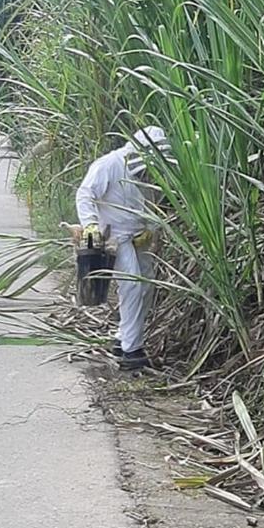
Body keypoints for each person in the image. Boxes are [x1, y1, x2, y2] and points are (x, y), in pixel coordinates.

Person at [75, 125, 172, 370]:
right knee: (132, 284)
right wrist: (90, 226)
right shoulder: (109, 165)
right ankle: (132, 350)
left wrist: (151, 228)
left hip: (139, 235)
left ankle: (123, 338)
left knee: (147, 284)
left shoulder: (147, 173)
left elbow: (152, 202)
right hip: (114, 236)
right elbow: (85, 194)